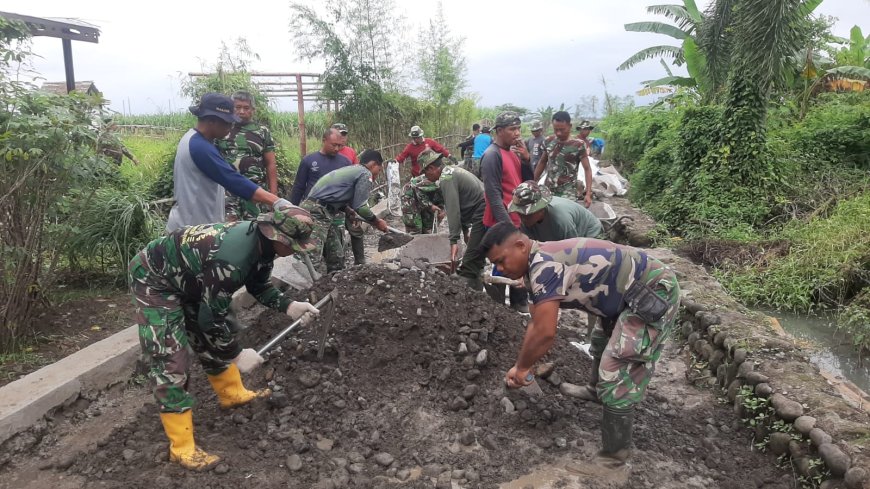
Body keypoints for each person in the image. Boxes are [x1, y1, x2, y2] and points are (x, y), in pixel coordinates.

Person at [130, 203, 321, 470]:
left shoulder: (262, 248)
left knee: (209, 334)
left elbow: (259, 286)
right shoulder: (233, 259)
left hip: (190, 277)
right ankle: (182, 448)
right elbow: (211, 320)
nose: (294, 250)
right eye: (292, 244)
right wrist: (236, 354)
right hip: (155, 280)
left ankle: (231, 393)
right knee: (170, 356)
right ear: (275, 235)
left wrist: (289, 306)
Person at [479, 221, 680, 474]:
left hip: (651, 289)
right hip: (621, 297)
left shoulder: (545, 265)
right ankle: (596, 392)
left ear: (520, 245)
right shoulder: (534, 267)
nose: (499, 268)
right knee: (599, 342)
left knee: (616, 365)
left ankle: (613, 460)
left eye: (501, 260)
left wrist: (523, 367)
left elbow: (546, 333)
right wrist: (520, 366)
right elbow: (536, 323)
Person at [166, 93, 289, 231]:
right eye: (227, 122)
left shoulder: (194, 139)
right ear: (212, 121)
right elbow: (232, 179)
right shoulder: (200, 147)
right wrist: (277, 201)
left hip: (195, 225)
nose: (231, 126)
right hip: (191, 230)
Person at [302, 150, 390, 273]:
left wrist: (348, 210)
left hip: (327, 210)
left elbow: (335, 194)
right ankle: (306, 287)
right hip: (316, 210)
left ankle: (335, 283)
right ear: (374, 164)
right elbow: (361, 207)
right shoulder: (365, 174)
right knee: (313, 255)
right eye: (379, 170)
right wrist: (377, 222)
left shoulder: (353, 170)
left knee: (336, 254)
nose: (378, 174)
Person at [480, 111, 531, 312]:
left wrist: (527, 160)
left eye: (518, 128)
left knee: (518, 262)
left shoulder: (514, 152)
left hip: (516, 219)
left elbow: (527, 182)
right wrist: (507, 228)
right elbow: (493, 195)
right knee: (502, 262)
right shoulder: (492, 155)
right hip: (500, 222)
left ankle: (519, 304)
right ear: (499, 131)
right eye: (512, 129)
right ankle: (498, 308)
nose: (517, 133)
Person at [420, 150, 486, 288]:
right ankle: (478, 278)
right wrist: (466, 231)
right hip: (482, 209)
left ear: (431, 168)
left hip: (483, 210)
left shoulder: (446, 179)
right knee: (475, 254)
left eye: (425, 172)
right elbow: (463, 206)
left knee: (469, 262)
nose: (426, 176)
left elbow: (453, 210)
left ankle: (474, 293)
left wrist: (454, 240)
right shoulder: (451, 171)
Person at [215, 91, 278, 221]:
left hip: (255, 191)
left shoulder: (262, 131)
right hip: (228, 192)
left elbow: (271, 163)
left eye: (246, 108)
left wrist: (273, 195)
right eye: (237, 107)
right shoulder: (222, 129)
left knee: (255, 230)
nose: (241, 111)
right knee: (229, 230)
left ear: (253, 110)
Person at [533, 111, 594, 208]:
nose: (558, 133)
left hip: (568, 191)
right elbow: (542, 162)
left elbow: (587, 169)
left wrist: (588, 193)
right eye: (555, 129)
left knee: (565, 218)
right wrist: (533, 182)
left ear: (570, 126)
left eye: (562, 129)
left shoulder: (578, 145)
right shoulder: (548, 141)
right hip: (548, 189)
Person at [509, 181, 602, 241]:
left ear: (540, 209)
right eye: (520, 214)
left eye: (527, 215)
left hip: (589, 234)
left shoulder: (561, 219)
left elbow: (574, 250)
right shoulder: (526, 223)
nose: (523, 219)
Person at [288, 128, 353, 205]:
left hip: (337, 211)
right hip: (313, 208)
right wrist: (293, 208)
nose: (336, 149)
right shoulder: (308, 160)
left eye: (339, 145)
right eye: (334, 145)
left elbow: (349, 189)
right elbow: (298, 187)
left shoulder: (345, 162)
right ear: (324, 140)